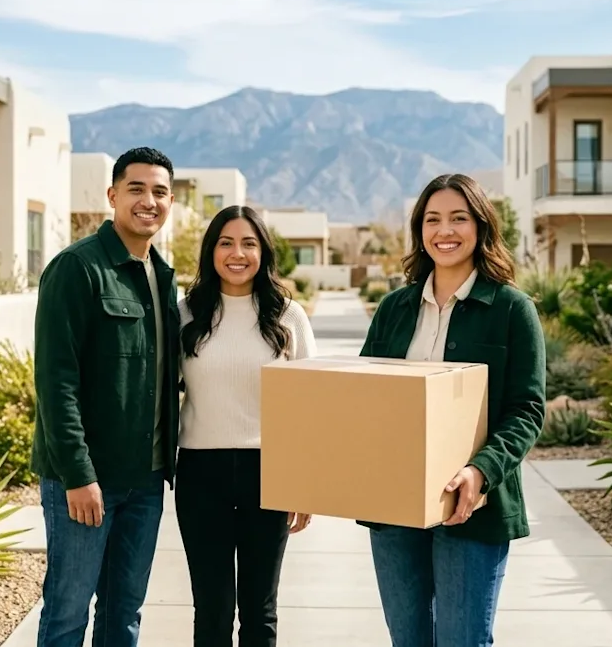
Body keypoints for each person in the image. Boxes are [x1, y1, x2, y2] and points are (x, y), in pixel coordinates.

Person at [359, 173, 546, 646]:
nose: (445, 231)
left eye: (459, 218)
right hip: (394, 504)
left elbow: (526, 410)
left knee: (463, 640)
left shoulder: (511, 309)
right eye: (433, 219)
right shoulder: (394, 309)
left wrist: (481, 471)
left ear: (481, 226)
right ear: (420, 230)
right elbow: (363, 398)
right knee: (408, 639)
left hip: (474, 506)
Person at [30, 146, 181, 647]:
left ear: (171, 201)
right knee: (67, 614)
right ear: (113, 195)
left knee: (124, 613)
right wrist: (78, 475)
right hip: (86, 481)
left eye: (159, 192)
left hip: (146, 480)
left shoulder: (162, 276)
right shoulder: (77, 268)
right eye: (136, 189)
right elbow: (56, 381)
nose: (148, 201)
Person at [175, 205, 318, 647]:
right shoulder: (185, 314)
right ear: (211, 251)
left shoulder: (289, 316)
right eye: (226, 243)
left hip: (268, 474)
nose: (237, 254)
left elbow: (309, 406)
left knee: (260, 610)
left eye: (249, 244)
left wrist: (304, 484)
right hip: (200, 474)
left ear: (263, 252)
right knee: (212, 610)